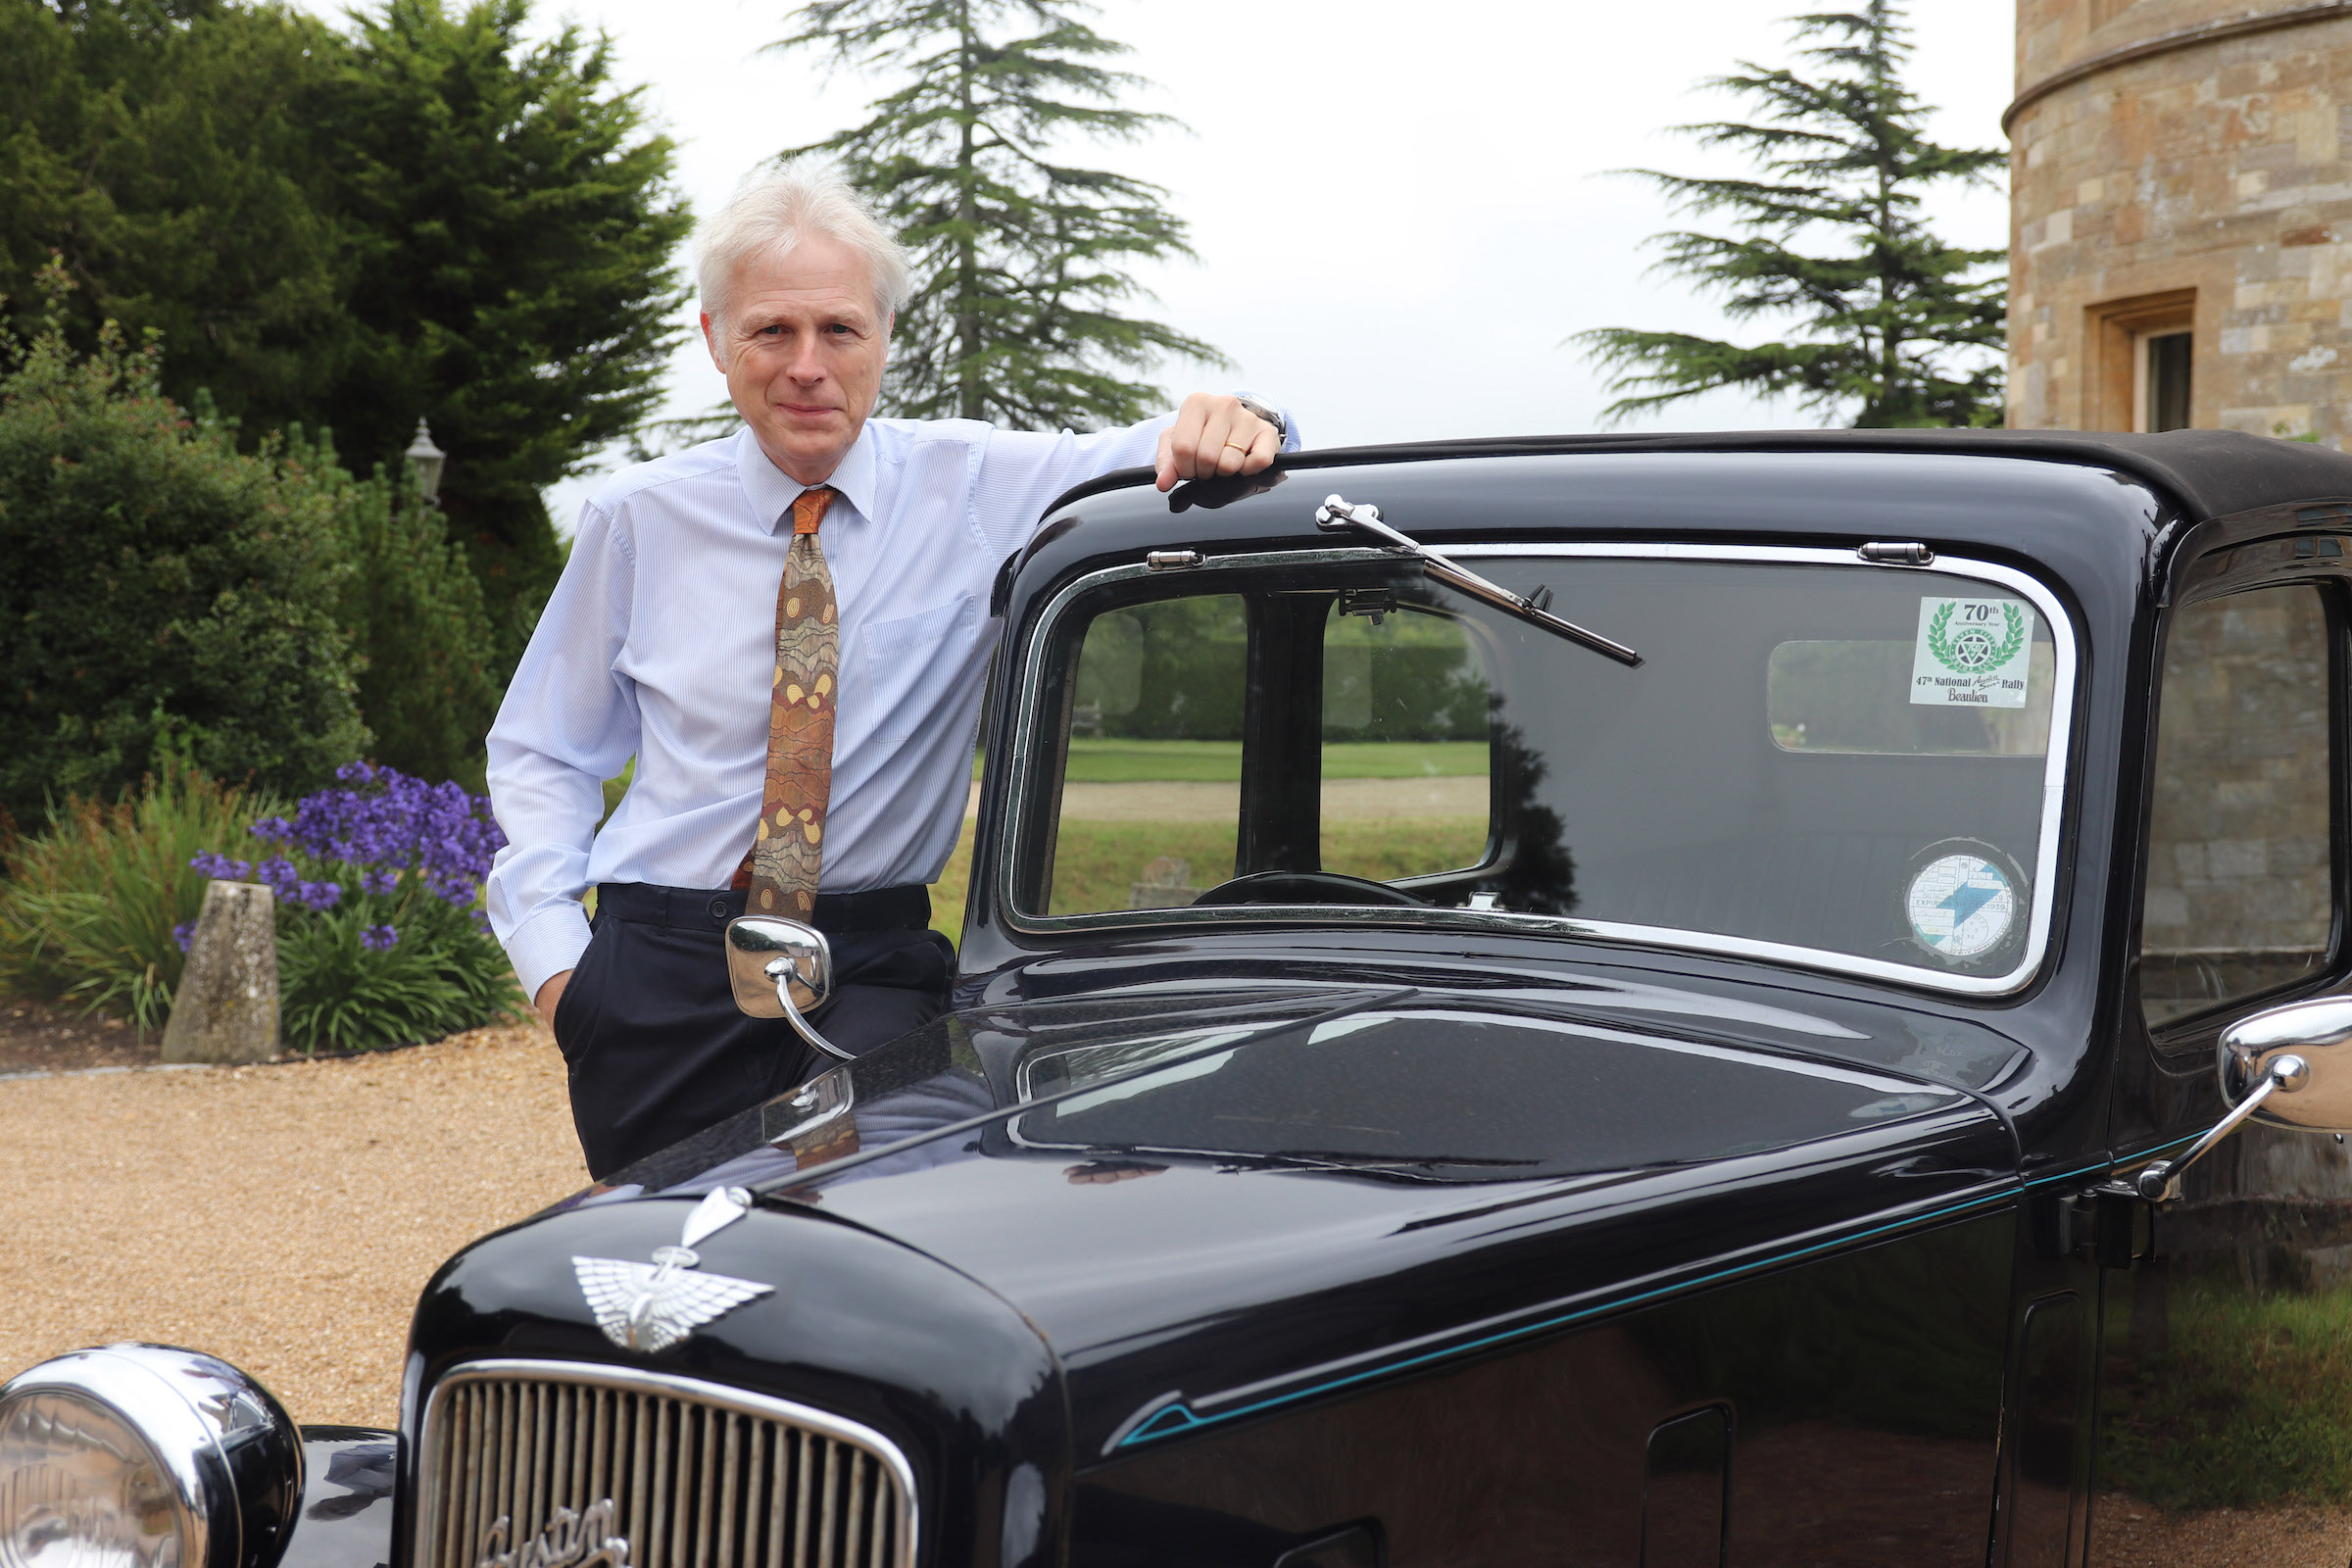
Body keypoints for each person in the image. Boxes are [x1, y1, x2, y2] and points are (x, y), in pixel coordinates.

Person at [485, 168, 1298, 1178]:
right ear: (712, 340)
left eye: (839, 330)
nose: (807, 366)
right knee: (670, 1273)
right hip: (657, 982)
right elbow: (542, 749)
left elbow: (1188, 446)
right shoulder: (636, 520)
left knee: (875, 1258)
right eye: (771, 332)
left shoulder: (982, 486)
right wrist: (563, 971)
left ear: (887, 337)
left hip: (873, 969)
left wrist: (1244, 415)